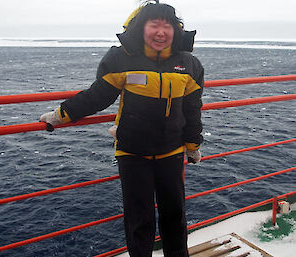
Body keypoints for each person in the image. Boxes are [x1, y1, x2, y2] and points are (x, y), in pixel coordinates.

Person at [40, 1, 204, 256]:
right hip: (132, 152)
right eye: (154, 25)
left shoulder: (189, 64)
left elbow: (192, 110)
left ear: (176, 30)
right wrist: (62, 114)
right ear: (141, 28)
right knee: (140, 219)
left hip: (171, 152)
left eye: (167, 25)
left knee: (175, 216)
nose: (161, 32)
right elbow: (97, 96)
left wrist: (193, 146)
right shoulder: (121, 58)